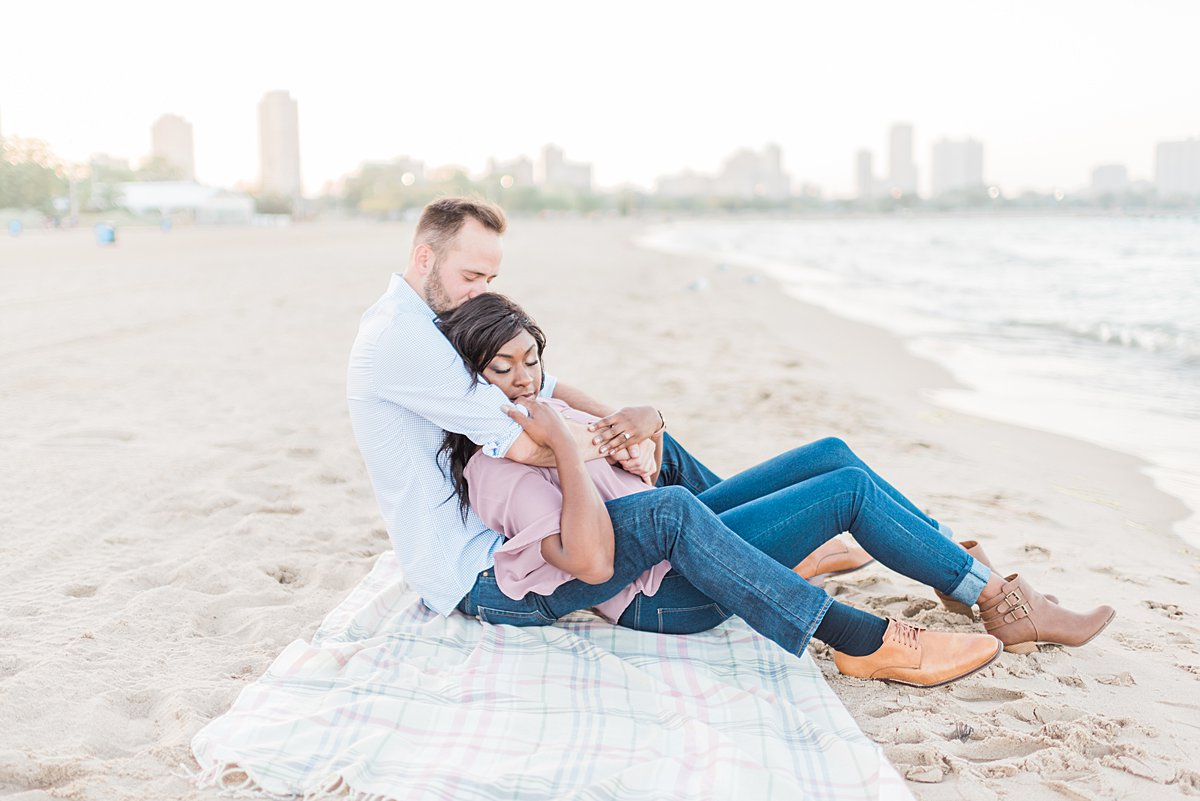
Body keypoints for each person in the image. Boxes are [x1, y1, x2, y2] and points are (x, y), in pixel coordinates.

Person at [346, 197, 1114, 689]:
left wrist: (632, 423)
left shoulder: (453, 327)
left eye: (492, 276)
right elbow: (531, 442)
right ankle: (887, 627)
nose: (484, 288)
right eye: (473, 273)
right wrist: (609, 444)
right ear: (425, 260)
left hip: (570, 537)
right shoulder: (408, 345)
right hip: (482, 569)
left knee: (832, 456)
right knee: (688, 504)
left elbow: (546, 392)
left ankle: (962, 574)